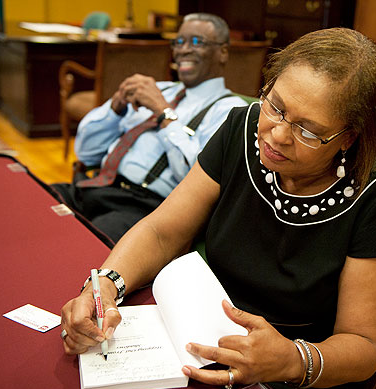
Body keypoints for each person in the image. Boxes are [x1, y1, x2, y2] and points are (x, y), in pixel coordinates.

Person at [60, 27, 376, 389]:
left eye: (308, 130)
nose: (277, 135)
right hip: (200, 337)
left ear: (349, 137)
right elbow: (163, 231)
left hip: (295, 373)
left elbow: (363, 344)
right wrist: (105, 285)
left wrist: (291, 359)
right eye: (275, 106)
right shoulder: (241, 129)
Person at [51, 13, 247, 242]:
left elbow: (198, 178)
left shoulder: (230, 111)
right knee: (36, 202)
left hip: (145, 209)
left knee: (81, 244)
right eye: (179, 42)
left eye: (196, 42)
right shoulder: (160, 89)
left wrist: (164, 113)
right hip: (95, 186)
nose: (183, 50)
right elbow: (86, 152)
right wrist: (114, 109)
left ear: (223, 52)